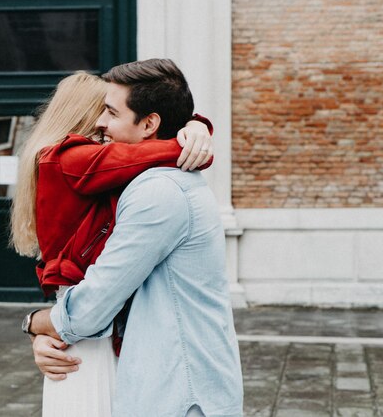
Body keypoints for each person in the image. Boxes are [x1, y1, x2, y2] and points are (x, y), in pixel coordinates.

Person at [29, 59, 244, 417]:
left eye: (111, 113)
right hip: (169, 387)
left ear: (149, 124)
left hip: (179, 395)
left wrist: (36, 323)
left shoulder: (157, 192)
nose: (100, 123)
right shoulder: (143, 183)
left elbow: (91, 310)